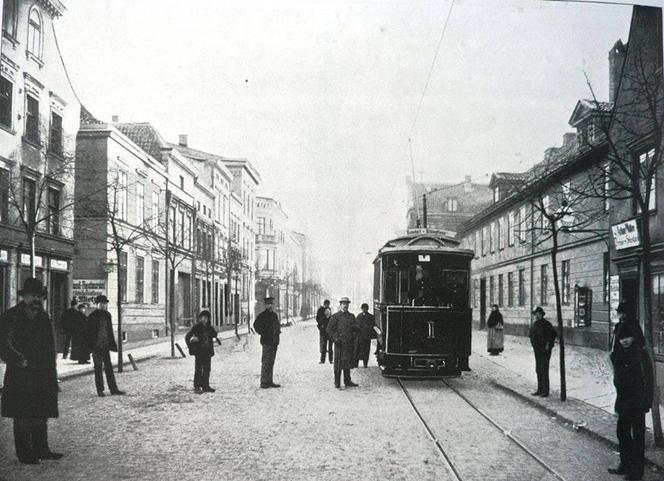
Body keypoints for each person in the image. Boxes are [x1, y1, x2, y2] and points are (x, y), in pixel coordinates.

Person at [0, 278, 62, 464]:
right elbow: (3, 344)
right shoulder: (11, 316)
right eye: (33, 296)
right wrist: (18, 359)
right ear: (24, 296)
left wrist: (53, 373)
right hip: (22, 374)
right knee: (23, 415)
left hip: (42, 373)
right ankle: (25, 454)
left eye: (39, 296)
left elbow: (50, 347)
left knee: (41, 413)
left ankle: (42, 449)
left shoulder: (44, 317)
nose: (36, 299)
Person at [608, 302, 653, 481]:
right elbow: (619, 377)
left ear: (634, 338)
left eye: (627, 338)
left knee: (638, 435)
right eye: (621, 339)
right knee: (622, 432)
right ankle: (625, 464)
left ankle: (636, 472)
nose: (623, 341)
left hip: (637, 400)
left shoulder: (639, 356)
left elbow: (647, 381)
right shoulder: (622, 355)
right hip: (625, 399)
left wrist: (645, 402)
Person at [86, 295, 125, 397]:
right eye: (101, 304)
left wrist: (111, 343)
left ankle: (113, 389)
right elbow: (88, 334)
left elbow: (110, 331)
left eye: (105, 304)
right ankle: (100, 390)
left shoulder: (107, 315)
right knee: (98, 368)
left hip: (105, 345)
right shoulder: (92, 316)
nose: (103, 305)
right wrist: (90, 347)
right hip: (96, 346)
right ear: (97, 304)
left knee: (109, 368)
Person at [327, 297, 359, 388]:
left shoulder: (351, 316)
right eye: (343, 303)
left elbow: (356, 329)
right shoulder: (335, 316)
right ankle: (337, 382)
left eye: (347, 303)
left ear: (348, 305)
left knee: (347, 363)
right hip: (339, 345)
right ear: (340, 304)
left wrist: (353, 336)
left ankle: (347, 381)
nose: (345, 305)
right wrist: (336, 339)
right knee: (338, 364)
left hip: (348, 344)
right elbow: (329, 330)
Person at [185, 310, 219, 393]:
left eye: (206, 318)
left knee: (207, 369)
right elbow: (187, 337)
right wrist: (191, 346)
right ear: (200, 318)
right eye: (203, 317)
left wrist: (213, 329)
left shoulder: (209, 327)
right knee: (198, 369)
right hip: (199, 352)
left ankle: (205, 386)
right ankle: (197, 386)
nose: (204, 319)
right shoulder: (196, 327)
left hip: (207, 351)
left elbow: (215, 334)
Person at [528, 306, 556, 397]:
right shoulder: (535, 324)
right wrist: (533, 344)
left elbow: (552, 335)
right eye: (536, 314)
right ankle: (540, 389)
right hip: (537, 350)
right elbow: (531, 335)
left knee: (544, 369)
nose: (537, 315)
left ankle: (546, 391)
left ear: (542, 314)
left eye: (538, 314)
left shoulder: (547, 324)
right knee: (538, 369)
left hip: (545, 350)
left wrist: (548, 345)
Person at [253, 297, 281, 388]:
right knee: (265, 361)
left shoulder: (274, 316)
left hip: (274, 342)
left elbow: (277, 327)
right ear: (265, 305)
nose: (270, 305)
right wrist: (263, 333)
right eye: (269, 304)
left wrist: (277, 335)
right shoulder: (262, 316)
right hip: (266, 341)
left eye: (272, 304)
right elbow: (256, 326)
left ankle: (270, 381)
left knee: (271, 362)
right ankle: (264, 382)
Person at [354, 303, 376, 368]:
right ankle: (356, 364)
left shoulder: (369, 317)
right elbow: (356, 325)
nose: (364, 309)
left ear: (367, 309)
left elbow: (373, 326)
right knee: (358, 351)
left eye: (365, 308)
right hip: (360, 337)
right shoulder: (359, 316)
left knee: (365, 351)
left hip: (365, 337)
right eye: (363, 308)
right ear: (362, 309)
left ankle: (365, 364)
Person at [316, 300, 333, 364]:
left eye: (328, 304)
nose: (327, 306)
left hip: (329, 330)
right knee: (324, 345)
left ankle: (330, 360)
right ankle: (322, 360)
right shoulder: (320, 310)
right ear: (324, 304)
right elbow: (317, 319)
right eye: (326, 304)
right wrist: (321, 325)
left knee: (330, 346)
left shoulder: (330, 310)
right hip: (323, 330)